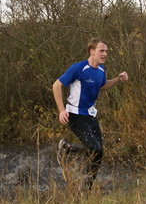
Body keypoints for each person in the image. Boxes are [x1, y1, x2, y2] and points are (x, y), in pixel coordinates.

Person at [52, 38, 129, 189]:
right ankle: (66, 147)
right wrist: (61, 110)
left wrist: (118, 80)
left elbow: (102, 86)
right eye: (101, 51)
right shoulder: (78, 68)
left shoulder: (101, 70)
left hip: (90, 114)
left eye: (106, 51)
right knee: (95, 148)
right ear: (92, 51)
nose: (105, 54)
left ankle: (86, 188)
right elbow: (56, 85)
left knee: (99, 153)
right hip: (75, 114)